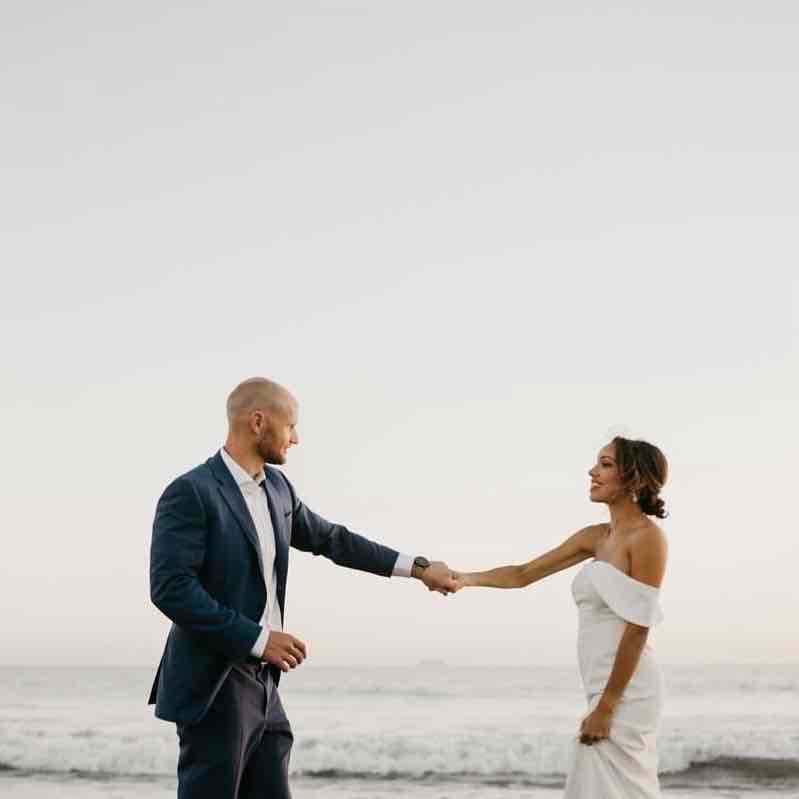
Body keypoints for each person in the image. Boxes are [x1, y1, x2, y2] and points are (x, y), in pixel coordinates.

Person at [148, 377, 457, 799]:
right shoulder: (191, 492)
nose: (296, 438)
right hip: (216, 681)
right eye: (290, 425)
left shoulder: (278, 488)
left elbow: (332, 539)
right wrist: (258, 639)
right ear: (258, 422)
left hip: (264, 683)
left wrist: (418, 569)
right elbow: (171, 588)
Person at [452, 436, 669, 798]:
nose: (592, 471)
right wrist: (465, 579)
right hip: (600, 685)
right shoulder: (595, 537)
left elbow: (638, 628)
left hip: (628, 690)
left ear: (634, 478)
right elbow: (523, 573)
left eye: (605, 464)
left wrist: (607, 706)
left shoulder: (648, 538)